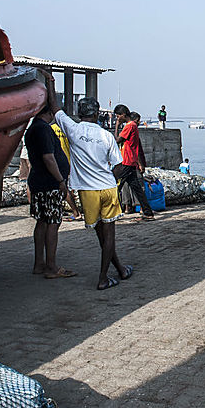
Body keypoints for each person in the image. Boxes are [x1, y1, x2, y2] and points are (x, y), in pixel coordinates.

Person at [52, 89, 133, 291]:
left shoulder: (72, 129)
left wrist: (50, 82)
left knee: (101, 236)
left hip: (87, 192)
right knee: (109, 236)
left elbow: (55, 108)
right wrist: (111, 179)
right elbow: (119, 166)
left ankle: (119, 270)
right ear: (97, 114)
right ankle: (105, 277)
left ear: (80, 114)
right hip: (107, 187)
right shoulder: (106, 136)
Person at [24, 101, 76, 280]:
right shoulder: (44, 129)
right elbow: (49, 158)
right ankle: (51, 267)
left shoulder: (33, 129)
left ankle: (39, 263)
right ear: (49, 112)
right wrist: (60, 180)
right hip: (49, 183)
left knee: (42, 222)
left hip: (38, 182)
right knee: (53, 222)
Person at [113, 104, 155, 219]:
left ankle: (110, 211)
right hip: (130, 161)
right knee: (136, 188)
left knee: (114, 184)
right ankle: (147, 212)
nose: (117, 118)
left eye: (118, 116)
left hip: (126, 161)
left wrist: (116, 126)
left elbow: (117, 140)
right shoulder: (133, 126)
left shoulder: (129, 126)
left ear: (123, 115)